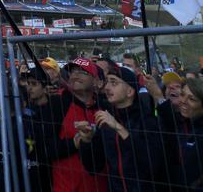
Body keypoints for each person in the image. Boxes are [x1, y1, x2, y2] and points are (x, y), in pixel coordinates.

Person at [76, 64, 165, 192]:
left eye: (114, 82)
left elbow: (153, 164)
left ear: (130, 91)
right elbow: (93, 167)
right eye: (107, 82)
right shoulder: (106, 121)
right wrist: (87, 141)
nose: (106, 87)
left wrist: (120, 129)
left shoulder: (147, 120)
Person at [41, 56, 107, 192]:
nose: (75, 75)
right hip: (66, 187)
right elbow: (45, 148)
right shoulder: (56, 104)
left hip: (101, 186)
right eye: (73, 71)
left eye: (83, 72)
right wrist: (76, 142)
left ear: (96, 81)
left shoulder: (106, 107)